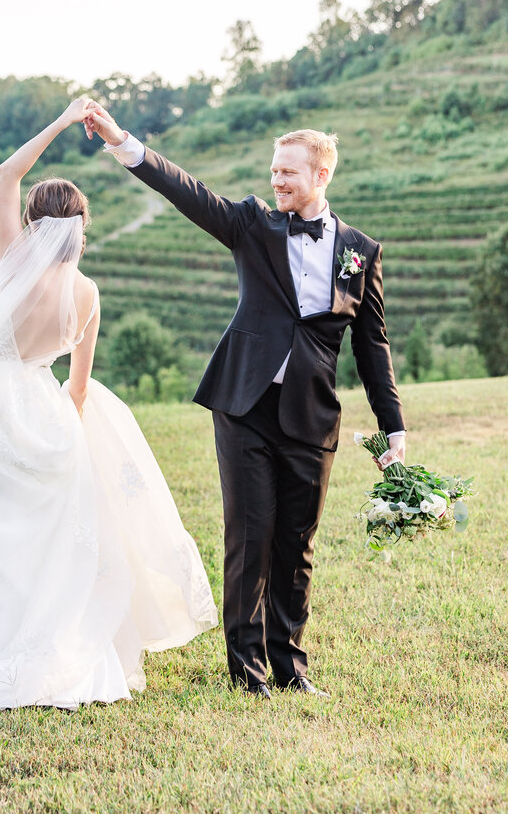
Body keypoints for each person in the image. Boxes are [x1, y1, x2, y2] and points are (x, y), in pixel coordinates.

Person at [0, 98, 218, 711]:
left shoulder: (12, 268)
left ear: (30, 224)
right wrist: (65, 440)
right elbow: (79, 387)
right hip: (43, 414)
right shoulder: (88, 294)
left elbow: (7, 173)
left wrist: (58, 124)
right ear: (82, 226)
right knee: (41, 546)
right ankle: (40, 657)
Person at [85, 108, 406, 700]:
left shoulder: (360, 251)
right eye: (274, 170)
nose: (277, 180)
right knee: (250, 536)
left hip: (312, 415)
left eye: (289, 172)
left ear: (322, 173)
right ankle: (248, 672)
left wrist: (394, 428)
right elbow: (188, 192)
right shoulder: (253, 224)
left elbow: (372, 343)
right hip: (245, 405)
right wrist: (122, 142)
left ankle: (291, 667)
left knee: (297, 546)